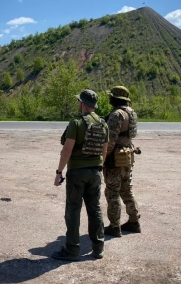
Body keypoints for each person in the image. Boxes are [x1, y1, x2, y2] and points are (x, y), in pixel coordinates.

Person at [51, 89, 108, 261]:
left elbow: (67, 150)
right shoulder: (103, 123)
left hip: (77, 173)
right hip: (95, 172)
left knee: (73, 210)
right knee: (95, 209)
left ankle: (72, 249)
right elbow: (104, 151)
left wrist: (59, 172)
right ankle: (98, 248)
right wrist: (98, 167)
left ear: (83, 103)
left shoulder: (76, 123)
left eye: (79, 101)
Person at [102, 86, 141, 237]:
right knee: (127, 190)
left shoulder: (117, 114)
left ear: (116, 99)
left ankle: (114, 226)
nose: (109, 98)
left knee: (112, 192)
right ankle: (134, 221)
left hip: (115, 159)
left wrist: (103, 159)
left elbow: (110, 141)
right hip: (127, 156)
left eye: (111, 96)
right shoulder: (131, 112)